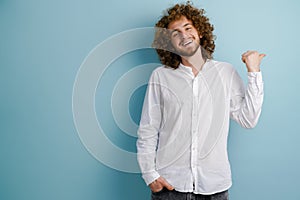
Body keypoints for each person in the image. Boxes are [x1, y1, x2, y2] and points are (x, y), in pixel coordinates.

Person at [137, 2, 265, 200]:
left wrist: (254, 71)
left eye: (188, 28)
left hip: (214, 188)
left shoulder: (225, 72)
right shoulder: (161, 76)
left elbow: (248, 119)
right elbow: (148, 129)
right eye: (175, 33)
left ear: (200, 32)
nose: (184, 35)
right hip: (170, 187)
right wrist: (149, 175)